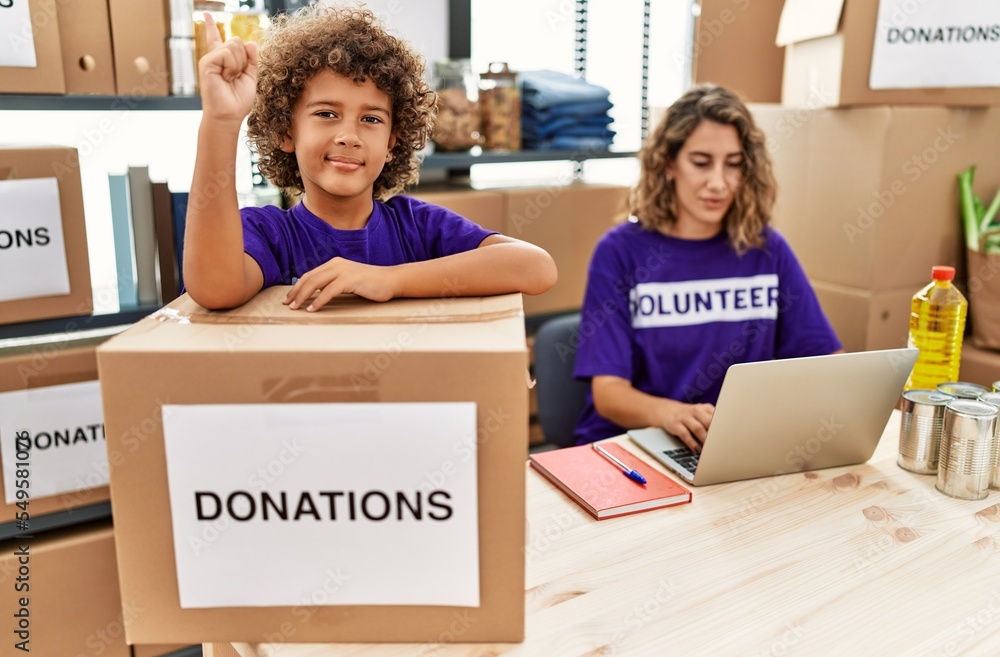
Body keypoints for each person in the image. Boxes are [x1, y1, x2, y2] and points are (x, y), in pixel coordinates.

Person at [183, 5, 557, 311]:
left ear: (393, 142)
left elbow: (536, 268)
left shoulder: (417, 226)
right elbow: (215, 289)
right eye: (326, 114)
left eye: (371, 119)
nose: (349, 136)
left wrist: (387, 280)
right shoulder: (270, 233)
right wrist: (220, 120)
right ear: (286, 133)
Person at [573, 84, 842, 450]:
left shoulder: (766, 250)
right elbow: (608, 394)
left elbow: (826, 364)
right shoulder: (620, 252)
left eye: (733, 165)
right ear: (668, 163)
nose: (719, 183)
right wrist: (671, 414)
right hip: (637, 447)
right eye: (701, 163)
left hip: (733, 445)